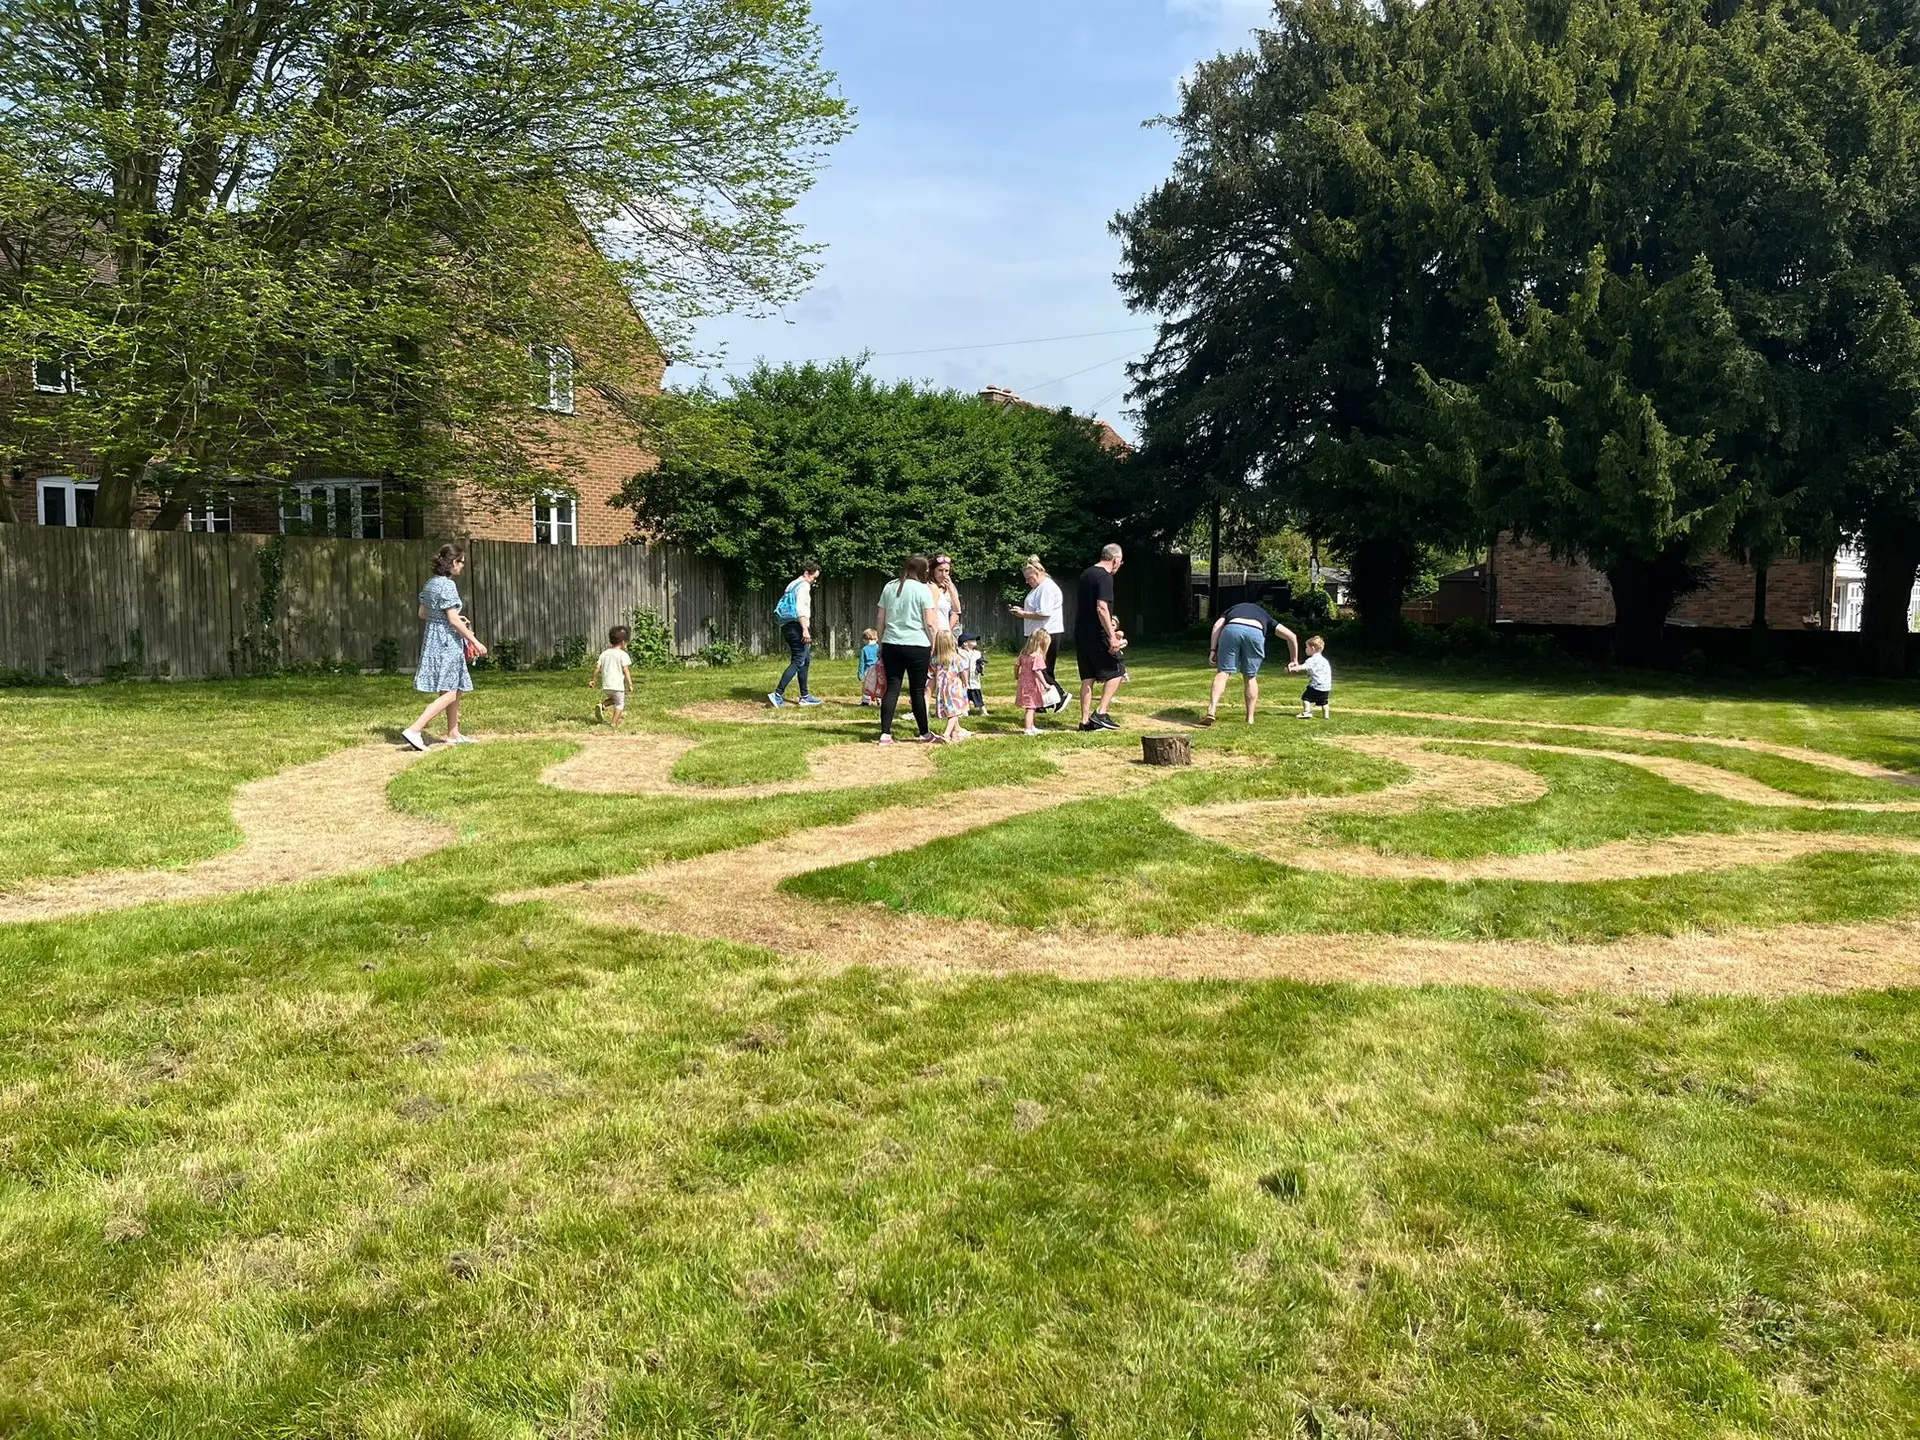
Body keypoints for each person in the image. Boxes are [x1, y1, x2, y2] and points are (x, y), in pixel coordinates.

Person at [402, 544, 486, 751]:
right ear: (453, 562)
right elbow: (453, 621)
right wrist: (475, 641)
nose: (463, 566)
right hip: (447, 641)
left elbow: (423, 613)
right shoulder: (448, 585)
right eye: (461, 562)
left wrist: (450, 618)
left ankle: (453, 734)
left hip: (434, 639)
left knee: (452, 688)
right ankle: (415, 730)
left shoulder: (431, 583)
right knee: (450, 692)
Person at [1201, 602, 1300, 726]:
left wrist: (1212, 650)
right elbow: (1291, 636)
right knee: (1250, 676)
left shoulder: (1231, 610)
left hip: (1231, 629)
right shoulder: (1265, 616)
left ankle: (1212, 709)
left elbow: (1217, 625)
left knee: (1223, 672)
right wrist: (1294, 660)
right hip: (1255, 631)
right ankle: (1250, 719)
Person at [875, 555, 940, 744]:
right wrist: (934, 644)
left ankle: (885, 734)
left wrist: (880, 642)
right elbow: (930, 623)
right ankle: (925, 733)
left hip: (891, 643)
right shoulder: (923, 589)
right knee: (917, 690)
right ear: (922, 570)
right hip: (918, 645)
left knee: (892, 687)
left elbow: (880, 618)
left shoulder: (890, 586)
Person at [1074, 543, 1126, 732]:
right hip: (1098, 632)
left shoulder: (1086, 574)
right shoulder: (1105, 577)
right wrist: (1112, 637)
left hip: (1081, 632)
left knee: (1088, 677)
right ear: (1115, 560)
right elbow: (1101, 607)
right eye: (1120, 562)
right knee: (1118, 671)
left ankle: (1085, 721)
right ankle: (1101, 713)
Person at [1007, 556, 1065, 712]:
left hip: (1046, 633)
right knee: (1042, 669)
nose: (1027, 582)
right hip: (1039, 633)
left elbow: (1044, 613)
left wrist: (1023, 614)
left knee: (1038, 668)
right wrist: (1023, 611)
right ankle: (1044, 703)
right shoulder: (1039, 588)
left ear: (1039, 573)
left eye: (1029, 578)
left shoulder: (1046, 587)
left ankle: (1061, 695)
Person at [768, 560, 823, 708]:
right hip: (797, 625)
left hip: (786, 624)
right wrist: (805, 629)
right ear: (806, 574)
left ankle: (805, 696)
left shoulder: (792, 585)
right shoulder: (803, 586)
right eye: (814, 577)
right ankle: (777, 694)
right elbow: (800, 609)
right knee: (799, 660)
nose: (814, 581)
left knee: (805, 659)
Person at [930, 629, 971, 743]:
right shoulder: (956, 657)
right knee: (955, 712)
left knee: (951, 710)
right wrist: (966, 683)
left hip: (942, 689)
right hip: (954, 687)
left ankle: (955, 734)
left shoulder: (935, 659)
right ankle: (946, 734)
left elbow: (932, 672)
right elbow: (963, 671)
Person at [592, 625, 634, 727]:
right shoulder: (622, 654)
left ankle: (602, 705)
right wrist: (630, 684)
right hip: (617, 685)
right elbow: (626, 670)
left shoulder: (604, 653)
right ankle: (614, 723)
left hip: (606, 686)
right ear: (623, 642)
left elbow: (597, 668)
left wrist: (593, 680)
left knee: (614, 699)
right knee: (620, 704)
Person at [1014, 627, 1051, 736]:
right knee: (1030, 708)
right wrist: (1045, 684)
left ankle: (1032, 726)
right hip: (1033, 685)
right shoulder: (1037, 656)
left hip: (1023, 683)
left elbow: (1016, 665)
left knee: (1033, 706)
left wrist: (1017, 676)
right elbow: (1037, 672)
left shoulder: (1023, 653)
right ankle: (1028, 729)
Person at [1290, 635, 1334, 719]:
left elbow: (1302, 667)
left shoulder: (1312, 660)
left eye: (1307, 647)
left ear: (1312, 648)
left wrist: (1292, 669)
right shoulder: (1324, 660)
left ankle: (1307, 712)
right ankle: (1326, 716)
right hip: (1326, 686)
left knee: (1305, 698)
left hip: (1316, 686)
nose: (1306, 649)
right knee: (1324, 702)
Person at [930, 554, 964, 636]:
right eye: (940, 570)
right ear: (933, 570)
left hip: (945, 633)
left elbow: (956, 611)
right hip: (931, 631)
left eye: (946, 571)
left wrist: (947, 630)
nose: (943, 574)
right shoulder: (928, 586)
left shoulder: (951, 587)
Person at [960, 632, 988, 715]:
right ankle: (964, 710)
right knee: (963, 696)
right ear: (965, 643)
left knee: (978, 696)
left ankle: (983, 711)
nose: (975, 641)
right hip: (962, 680)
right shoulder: (960, 652)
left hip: (974, 680)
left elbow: (981, 663)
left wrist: (981, 665)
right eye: (972, 640)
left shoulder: (977, 653)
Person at [857, 628, 882, 707]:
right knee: (878, 685)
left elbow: (862, 662)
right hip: (879, 670)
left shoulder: (865, 649)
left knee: (867, 686)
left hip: (868, 670)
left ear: (865, 640)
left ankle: (865, 701)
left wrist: (861, 673)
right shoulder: (879, 647)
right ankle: (879, 699)